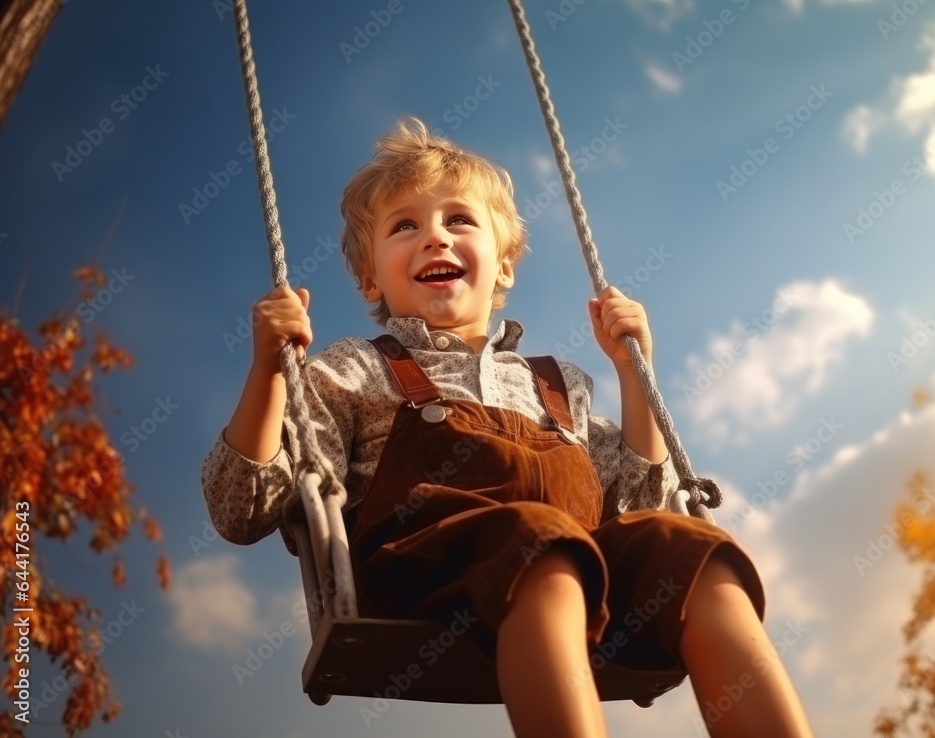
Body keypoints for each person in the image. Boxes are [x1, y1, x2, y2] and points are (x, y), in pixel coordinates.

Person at [201, 118, 813, 738]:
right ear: (369, 279)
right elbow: (243, 507)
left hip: (577, 576)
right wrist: (270, 373)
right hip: (420, 575)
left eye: (459, 220)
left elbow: (637, 506)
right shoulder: (354, 370)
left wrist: (634, 375)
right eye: (404, 225)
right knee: (541, 537)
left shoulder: (558, 384)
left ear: (504, 268)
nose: (434, 237)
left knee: (690, 549)